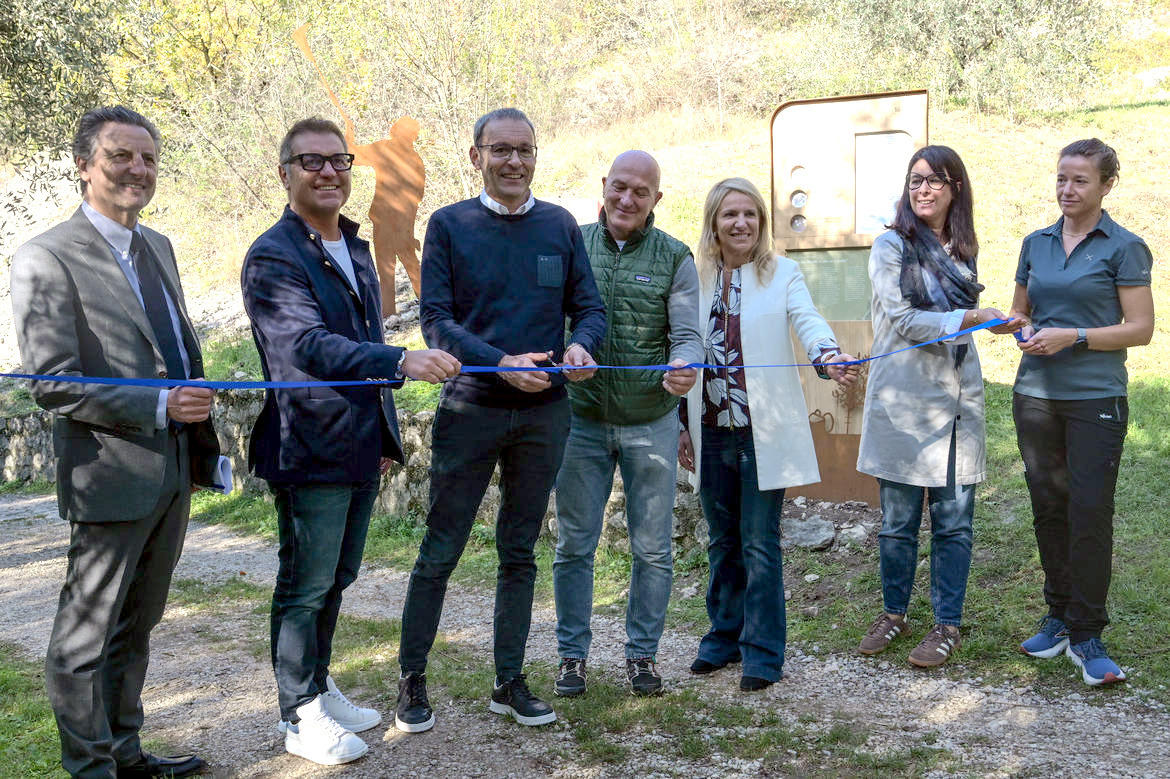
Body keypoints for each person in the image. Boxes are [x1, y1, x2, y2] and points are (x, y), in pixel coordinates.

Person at [10, 106, 222, 779]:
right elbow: (52, 382)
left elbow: (172, 348)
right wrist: (159, 404)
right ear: (83, 165)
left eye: (148, 158)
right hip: (107, 473)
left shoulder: (158, 245)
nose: (138, 169)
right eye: (120, 156)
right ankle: (90, 767)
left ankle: (126, 753)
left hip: (175, 465)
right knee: (86, 635)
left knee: (139, 621)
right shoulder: (45, 256)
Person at [241, 117, 459, 765]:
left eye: (339, 160)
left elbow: (363, 335)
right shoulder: (274, 255)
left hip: (361, 441)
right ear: (284, 173)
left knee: (339, 575)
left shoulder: (357, 246)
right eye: (311, 161)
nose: (329, 172)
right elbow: (305, 345)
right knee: (305, 582)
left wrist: (384, 434)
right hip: (308, 443)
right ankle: (298, 712)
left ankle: (317, 683)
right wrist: (401, 360)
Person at [396, 107, 606, 732]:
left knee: (520, 551)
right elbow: (436, 321)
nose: (514, 161)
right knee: (441, 548)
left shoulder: (560, 224)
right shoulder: (449, 224)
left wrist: (582, 346)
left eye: (525, 150)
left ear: (536, 155)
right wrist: (498, 363)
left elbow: (589, 308)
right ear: (476, 157)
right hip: (471, 410)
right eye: (501, 150)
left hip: (545, 414)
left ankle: (509, 682)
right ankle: (412, 680)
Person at [678, 177, 857, 691]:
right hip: (709, 429)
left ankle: (762, 651)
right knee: (722, 542)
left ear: (760, 222)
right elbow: (679, 346)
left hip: (764, 432)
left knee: (759, 543)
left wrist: (828, 356)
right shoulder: (693, 276)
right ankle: (723, 637)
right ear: (714, 223)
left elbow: (809, 321)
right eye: (730, 214)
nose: (741, 223)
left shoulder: (783, 273)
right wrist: (680, 425)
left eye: (750, 214)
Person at [856, 145, 1015, 668]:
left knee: (953, 522)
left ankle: (948, 624)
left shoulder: (963, 249)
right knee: (897, 522)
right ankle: (894, 613)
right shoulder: (890, 246)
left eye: (934, 180)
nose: (922, 189)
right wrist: (973, 318)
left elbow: (963, 317)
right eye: (915, 180)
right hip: (903, 400)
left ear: (955, 188)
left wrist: (994, 322)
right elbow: (904, 320)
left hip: (957, 399)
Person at [552, 150, 702, 698]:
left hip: (651, 420)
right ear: (604, 185)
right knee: (574, 545)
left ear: (656, 199)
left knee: (653, 549)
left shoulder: (675, 256)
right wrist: (563, 354)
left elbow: (688, 336)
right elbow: (550, 319)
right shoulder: (571, 242)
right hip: (580, 420)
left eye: (641, 191)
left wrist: (685, 365)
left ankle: (642, 655)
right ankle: (572, 657)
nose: (627, 199)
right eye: (620, 186)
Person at [1011, 139, 1153, 686]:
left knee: (1089, 513)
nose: (1067, 190)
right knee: (1049, 508)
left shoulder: (1125, 247)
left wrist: (1074, 335)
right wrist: (1019, 327)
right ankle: (1058, 616)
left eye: (1080, 181)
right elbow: (1022, 310)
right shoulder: (1036, 243)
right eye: (1061, 179)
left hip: (1095, 399)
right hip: (1035, 395)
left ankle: (1087, 633)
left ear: (1106, 185)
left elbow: (1140, 329)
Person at [343, 116, 425, 309]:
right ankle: (401, 309)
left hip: (393, 219)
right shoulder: (410, 157)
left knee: (395, 264)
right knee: (393, 264)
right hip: (389, 218)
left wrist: (349, 132)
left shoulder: (389, 150)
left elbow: (351, 154)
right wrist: (349, 131)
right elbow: (351, 154)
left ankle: (396, 310)